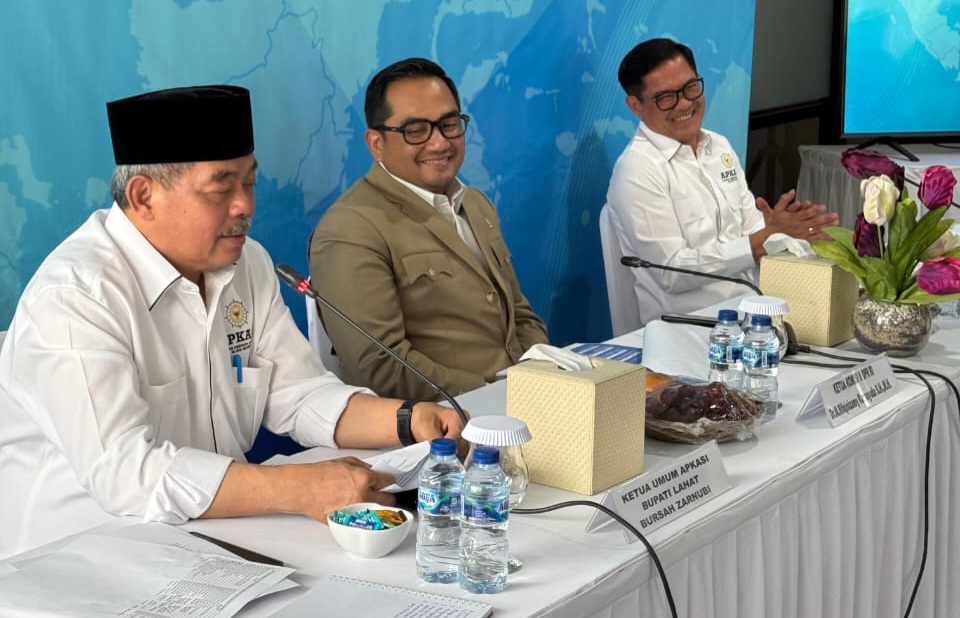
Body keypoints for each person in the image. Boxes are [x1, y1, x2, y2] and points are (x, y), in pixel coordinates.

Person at [0, 85, 465, 560]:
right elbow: (126, 474)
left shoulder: (247, 264)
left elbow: (297, 394)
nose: (245, 206)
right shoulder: (77, 295)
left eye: (249, 183)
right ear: (144, 196)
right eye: (222, 188)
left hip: (210, 543)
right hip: (73, 558)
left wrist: (409, 420)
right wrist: (299, 488)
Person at [309, 58, 548, 401]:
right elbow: (379, 366)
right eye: (416, 130)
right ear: (376, 143)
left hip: (525, 400)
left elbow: (520, 313)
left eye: (449, 124)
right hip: (447, 420)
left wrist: (541, 373)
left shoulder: (476, 203)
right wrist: (493, 393)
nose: (439, 143)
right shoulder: (349, 229)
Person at [605, 38, 840, 326]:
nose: (685, 103)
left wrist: (787, 232)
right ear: (635, 105)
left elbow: (752, 230)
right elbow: (671, 272)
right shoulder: (637, 169)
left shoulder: (719, 146)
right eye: (666, 97)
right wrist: (760, 241)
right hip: (688, 328)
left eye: (691, 87)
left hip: (754, 312)